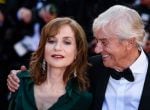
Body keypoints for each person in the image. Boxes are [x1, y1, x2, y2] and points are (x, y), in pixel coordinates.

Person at [7, 5, 150, 110]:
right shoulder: (93, 67)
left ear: (129, 42)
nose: (97, 49)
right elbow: (58, 75)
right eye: (97, 41)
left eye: (104, 42)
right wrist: (20, 77)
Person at [7, 17, 92, 110]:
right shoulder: (20, 81)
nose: (57, 47)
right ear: (43, 47)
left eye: (67, 42)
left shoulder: (83, 99)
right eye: (51, 41)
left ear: (77, 52)